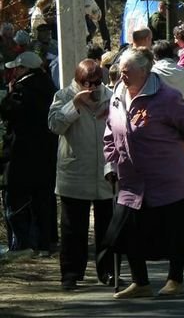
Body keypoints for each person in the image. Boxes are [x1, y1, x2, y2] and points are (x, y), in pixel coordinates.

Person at [103, 47, 184, 298]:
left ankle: (175, 280)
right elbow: (109, 133)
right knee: (128, 231)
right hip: (131, 179)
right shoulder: (117, 95)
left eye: (127, 72)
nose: (122, 77)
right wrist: (111, 164)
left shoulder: (166, 97)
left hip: (167, 177)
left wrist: (167, 145)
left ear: (144, 71)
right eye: (120, 72)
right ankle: (140, 282)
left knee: (174, 230)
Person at [48, 59, 116, 290]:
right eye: (87, 83)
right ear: (78, 81)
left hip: (105, 170)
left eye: (97, 82)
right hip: (75, 171)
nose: (93, 88)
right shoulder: (64, 95)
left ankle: (107, 270)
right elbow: (54, 126)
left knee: (107, 226)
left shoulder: (112, 96)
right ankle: (70, 273)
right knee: (72, 227)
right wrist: (74, 106)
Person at [1, 51, 57, 256]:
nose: (14, 71)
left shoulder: (21, 90)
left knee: (16, 200)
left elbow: (8, 112)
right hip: (47, 152)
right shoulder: (50, 87)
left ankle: (22, 244)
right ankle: (46, 242)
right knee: (44, 200)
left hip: (22, 153)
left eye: (17, 68)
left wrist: (9, 93)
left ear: (24, 69)